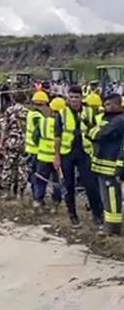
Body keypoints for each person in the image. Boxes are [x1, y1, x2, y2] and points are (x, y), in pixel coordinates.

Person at [53, 86, 103, 227]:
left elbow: (94, 131)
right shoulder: (61, 114)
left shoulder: (88, 112)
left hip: (84, 153)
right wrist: (56, 156)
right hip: (67, 153)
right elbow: (57, 137)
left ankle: (97, 214)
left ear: (82, 98)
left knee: (91, 185)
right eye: (72, 97)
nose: (74, 100)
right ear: (68, 98)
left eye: (77, 97)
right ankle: (72, 215)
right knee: (69, 186)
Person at [87, 93, 124, 235]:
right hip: (102, 165)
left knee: (112, 198)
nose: (106, 107)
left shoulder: (119, 120)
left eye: (109, 104)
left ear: (117, 104)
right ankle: (110, 225)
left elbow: (101, 134)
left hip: (110, 166)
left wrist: (94, 132)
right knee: (107, 198)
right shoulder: (109, 118)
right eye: (105, 104)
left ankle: (113, 228)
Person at [0, 91, 29, 199]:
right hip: (24, 142)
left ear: (13, 99)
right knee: (22, 167)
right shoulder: (28, 112)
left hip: (11, 142)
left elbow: (4, 129)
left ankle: (7, 192)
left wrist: (0, 144)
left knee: (8, 166)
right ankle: (21, 192)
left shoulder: (9, 111)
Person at [34, 97, 64, 210]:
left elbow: (35, 137)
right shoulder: (65, 124)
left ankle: (38, 200)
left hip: (43, 156)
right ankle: (56, 202)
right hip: (58, 158)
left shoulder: (43, 122)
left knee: (41, 179)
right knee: (57, 180)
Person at [25, 91, 48, 199]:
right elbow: (39, 134)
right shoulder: (38, 117)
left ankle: (36, 195)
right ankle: (37, 197)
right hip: (37, 149)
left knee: (33, 173)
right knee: (38, 175)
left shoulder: (30, 113)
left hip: (30, 148)